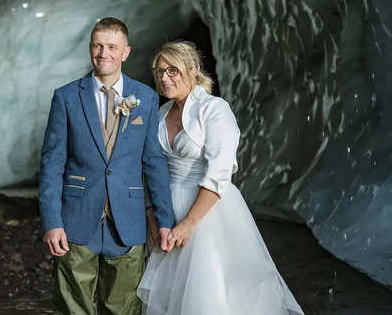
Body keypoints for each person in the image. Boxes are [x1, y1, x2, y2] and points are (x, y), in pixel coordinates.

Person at [137, 41, 303, 314]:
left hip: (207, 214)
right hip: (167, 211)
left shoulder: (214, 109)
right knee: (171, 298)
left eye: (172, 70)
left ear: (192, 70)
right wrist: (153, 214)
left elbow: (220, 170)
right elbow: (152, 169)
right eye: (159, 71)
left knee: (208, 293)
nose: (164, 78)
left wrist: (189, 224)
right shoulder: (160, 114)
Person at [38, 17, 175, 315]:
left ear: (126, 52)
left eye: (112, 46)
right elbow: (52, 163)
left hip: (128, 221)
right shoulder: (66, 97)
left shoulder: (146, 98)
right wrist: (51, 221)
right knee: (73, 310)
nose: (104, 53)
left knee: (123, 309)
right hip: (75, 220)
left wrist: (164, 219)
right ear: (90, 49)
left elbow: (153, 161)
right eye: (97, 46)